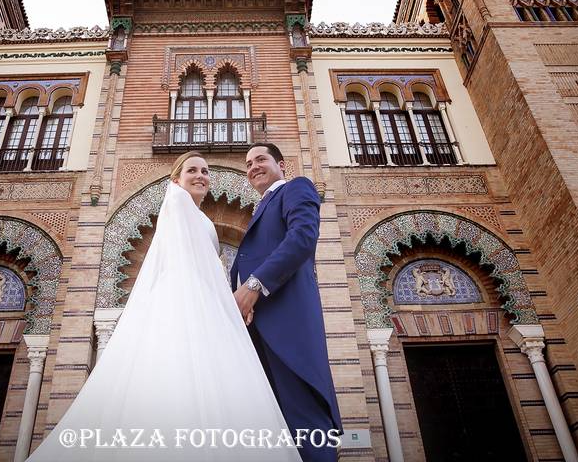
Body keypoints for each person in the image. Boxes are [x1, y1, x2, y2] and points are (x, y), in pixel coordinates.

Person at [28, 151, 302, 461]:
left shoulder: (199, 217)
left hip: (201, 302)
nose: (200, 175)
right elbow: (192, 266)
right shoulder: (178, 203)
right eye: (192, 171)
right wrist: (230, 303)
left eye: (205, 171)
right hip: (188, 306)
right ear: (176, 179)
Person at [232, 143, 343, 462]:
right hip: (257, 330)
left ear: (281, 164)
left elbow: (302, 238)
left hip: (287, 323)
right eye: (248, 163)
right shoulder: (260, 209)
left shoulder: (296, 188)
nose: (253, 166)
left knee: (304, 420)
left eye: (261, 159)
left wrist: (253, 285)